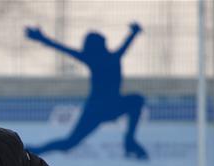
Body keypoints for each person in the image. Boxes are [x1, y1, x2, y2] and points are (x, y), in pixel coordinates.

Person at [24, 23, 148, 159]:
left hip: (98, 109)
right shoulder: (112, 58)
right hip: (104, 108)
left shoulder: (94, 59)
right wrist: (134, 32)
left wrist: (41, 38)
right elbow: (126, 44)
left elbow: (62, 48)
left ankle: (129, 142)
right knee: (136, 100)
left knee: (69, 143)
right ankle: (129, 141)